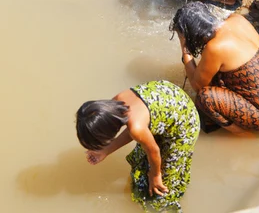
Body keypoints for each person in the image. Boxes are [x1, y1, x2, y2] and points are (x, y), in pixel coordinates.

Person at [76, 80, 200, 212]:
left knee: (165, 180)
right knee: (143, 159)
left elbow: (153, 150)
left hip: (185, 124)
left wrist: (155, 175)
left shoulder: (137, 127)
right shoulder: (115, 103)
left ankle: (166, 204)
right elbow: (133, 129)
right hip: (170, 99)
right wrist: (105, 151)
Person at [170, 1, 259, 135]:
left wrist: (184, 47)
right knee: (215, 74)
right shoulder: (237, 19)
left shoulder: (215, 48)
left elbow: (196, 85)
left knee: (206, 98)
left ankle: (242, 134)